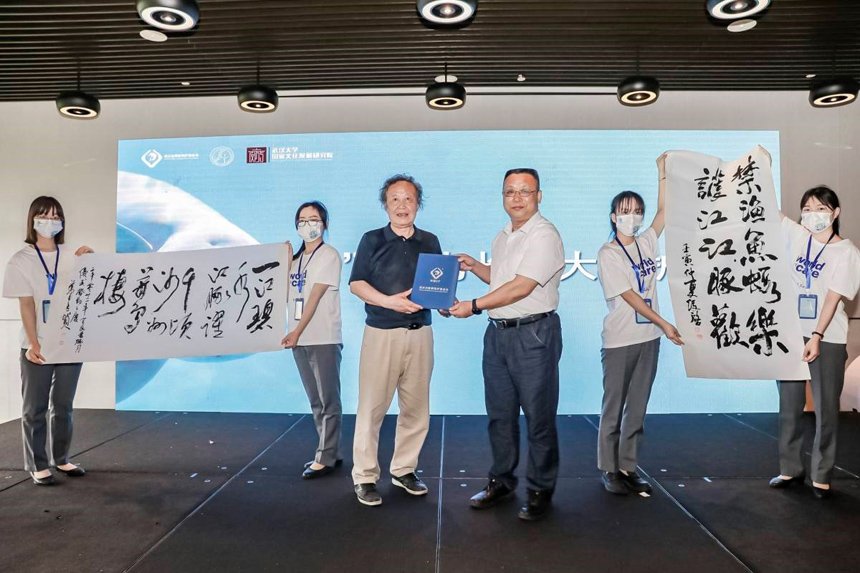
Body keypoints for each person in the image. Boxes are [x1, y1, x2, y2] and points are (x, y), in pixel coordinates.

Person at [450, 168, 565, 521]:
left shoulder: (544, 235)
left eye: (524, 191)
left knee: (538, 418)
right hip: (498, 334)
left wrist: (473, 305)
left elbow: (521, 287)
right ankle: (501, 481)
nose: (516, 198)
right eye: (509, 192)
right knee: (500, 416)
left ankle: (540, 490)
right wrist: (476, 267)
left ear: (539, 196)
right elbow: (503, 280)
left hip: (533, 334)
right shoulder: (503, 236)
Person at [348, 174, 443, 506]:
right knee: (372, 407)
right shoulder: (372, 239)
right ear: (385, 204)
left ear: (418, 204)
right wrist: (390, 302)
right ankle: (364, 476)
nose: (402, 206)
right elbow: (356, 284)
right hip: (381, 334)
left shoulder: (430, 241)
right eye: (395, 199)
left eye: (409, 199)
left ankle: (404, 470)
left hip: (421, 334)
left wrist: (445, 304)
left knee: (416, 408)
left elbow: (436, 288)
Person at [595, 154, 683, 496]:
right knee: (613, 407)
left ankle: (628, 467)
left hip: (649, 338)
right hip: (620, 340)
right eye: (625, 211)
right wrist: (665, 323)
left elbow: (665, 212)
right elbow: (630, 296)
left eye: (636, 211)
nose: (631, 217)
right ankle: (609, 469)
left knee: (638, 407)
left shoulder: (646, 241)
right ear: (613, 216)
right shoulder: (609, 252)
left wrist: (662, 173)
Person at [770, 185, 860, 498]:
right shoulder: (798, 236)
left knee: (825, 409)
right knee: (789, 407)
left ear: (835, 213)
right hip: (791, 334)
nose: (813, 215)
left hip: (827, 337)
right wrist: (761, 166)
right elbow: (769, 210)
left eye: (821, 208)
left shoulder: (847, 252)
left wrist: (818, 335)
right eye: (807, 209)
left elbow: (834, 298)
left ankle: (822, 474)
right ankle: (790, 468)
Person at [2, 196, 94, 486]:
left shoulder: (73, 254)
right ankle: (37, 464)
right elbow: (27, 305)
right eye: (44, 216)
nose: (50, 222)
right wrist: (33, 343)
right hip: (37, 345)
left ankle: (62, 458)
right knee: (35, 407)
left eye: (56, 217)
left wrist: (94, 260)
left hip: (68, 343)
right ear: (32, 220)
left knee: (63, 405)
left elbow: (91, 288)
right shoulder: (21, 259)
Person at [281, 201, 344, 479]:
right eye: (303, 220)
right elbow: (282, 292)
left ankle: (325, 456)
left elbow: (315, 297)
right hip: (299, 338)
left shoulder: (329, 255)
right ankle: (329, 451)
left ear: (324, 224)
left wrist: (296, 331)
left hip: (322, 336)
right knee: (315, 400)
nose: (308, 225)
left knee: (328, 399)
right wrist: (284, 261)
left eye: (314, 219)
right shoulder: (295, 260)